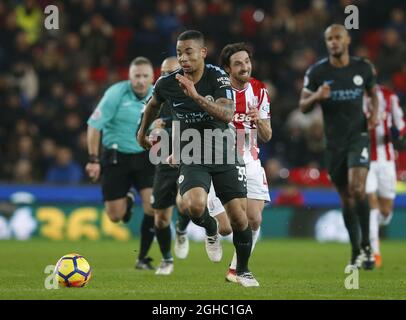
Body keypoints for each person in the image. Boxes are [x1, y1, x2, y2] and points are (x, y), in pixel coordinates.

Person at [137, 30, 259, 287]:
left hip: (224, 151)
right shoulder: (167, 83)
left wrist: (195, 96)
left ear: (202, 52)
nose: (183, 58)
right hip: (192, 152)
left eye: (188, 52)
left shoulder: (218, 76)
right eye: (179, 52)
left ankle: (244, 271)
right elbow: (152, 106)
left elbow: (226, 114)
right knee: (193, 206)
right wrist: (141, 133)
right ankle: (211, 229)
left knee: (239, 218)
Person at [299, 24, 379, 269]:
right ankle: (355, 250)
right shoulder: (317, 72)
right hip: (334, 144)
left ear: (347, 40)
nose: (333, 42)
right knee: (346, 199)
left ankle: (367, 246)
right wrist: (316, 96)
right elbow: (303, 106)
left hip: (358, 137)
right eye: (329, 39)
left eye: (337, 38)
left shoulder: (362, 68)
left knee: (357, 188)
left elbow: (373, 93)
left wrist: (374, 114)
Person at [204, 42, 273, 283]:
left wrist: (259, 121)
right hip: (221, 158)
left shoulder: (260, 91)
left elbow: (267, 135)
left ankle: (236, 269)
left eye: (247, 61)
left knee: (254, 219)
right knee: (226, 227)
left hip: (250, 159)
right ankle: (211, 229)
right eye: (238, 64)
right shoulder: (217, 90)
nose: (245, 67)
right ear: (227, 69)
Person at [86, 57, 156, 270]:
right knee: (115, 216)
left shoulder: (159, 94)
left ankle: (142, 258)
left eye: (145, 76)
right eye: (137, 76)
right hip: (117, 155)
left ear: (152, 78)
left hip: (146, 155)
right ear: (130, 77)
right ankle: (126, 200)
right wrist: (93, 159)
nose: (141, 81)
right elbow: (94, 125)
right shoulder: (115, 94)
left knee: (153, 208)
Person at [149, 56, 191, 275]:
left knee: (184, 204)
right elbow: (145, 132)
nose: (167, 76)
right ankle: (166, 259)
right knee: (161, 218)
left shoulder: (191, 95)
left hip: (188, 159)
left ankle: (182, 229)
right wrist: (151, 132)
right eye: (163, 73)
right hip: (164, 162)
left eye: (171, 72)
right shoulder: (154, 99)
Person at [365, 85, 405, 267]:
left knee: (385, 211)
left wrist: (398, 134)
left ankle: (369, 225)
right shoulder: (355, 97)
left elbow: (401, 126)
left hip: (387, 161)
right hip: (364, 160)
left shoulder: (389, 96)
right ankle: (375, 252)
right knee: (372, 204)